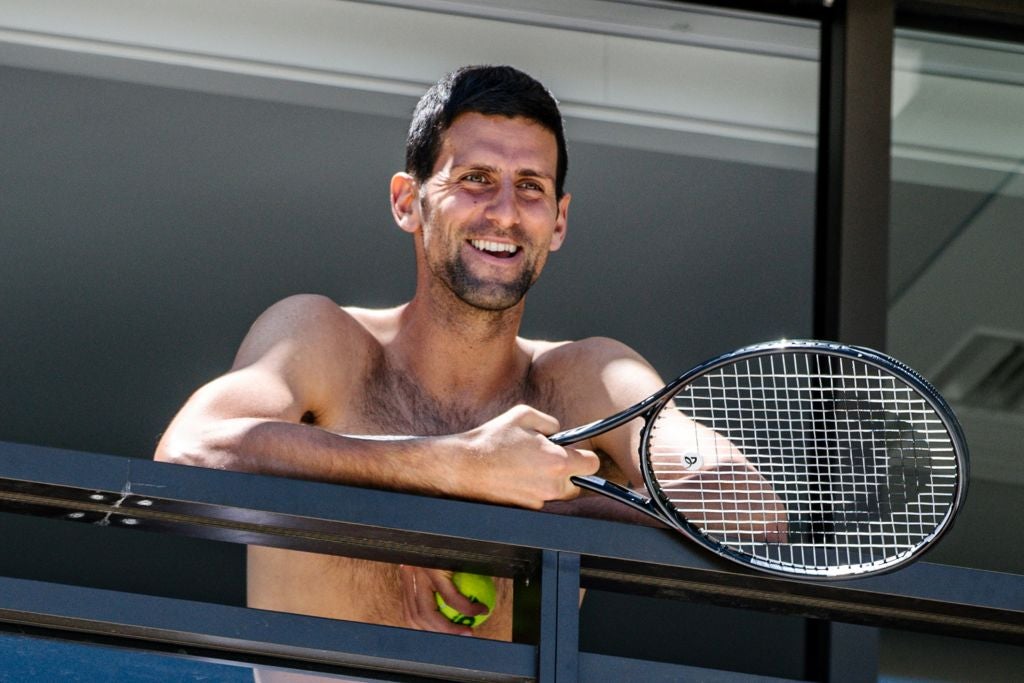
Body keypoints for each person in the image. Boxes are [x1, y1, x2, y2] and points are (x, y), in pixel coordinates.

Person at [154, 65, 766, 642]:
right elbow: (190, 453)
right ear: (406, 201)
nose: (503, 212)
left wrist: (526, 512)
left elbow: (750, 512)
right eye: (475, 179)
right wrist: (451, 471)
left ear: (558, 221)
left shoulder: (589, 376)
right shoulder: (323, 337)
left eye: (531, 187)